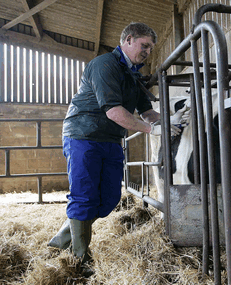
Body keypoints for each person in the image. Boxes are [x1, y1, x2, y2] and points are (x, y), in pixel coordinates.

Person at [47, 22, 189, 276]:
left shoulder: (133, 76)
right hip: (84, 136)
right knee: (84, 196)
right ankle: (79, 261)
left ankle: (60, 239)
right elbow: (113, 111)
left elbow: (147, 113)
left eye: (150, 48)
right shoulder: (104, 65)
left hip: (111, 140)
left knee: (109, 200)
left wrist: (171, 122)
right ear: (128, 39)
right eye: (144, 45)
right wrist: (153, 130)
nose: (147, 51)